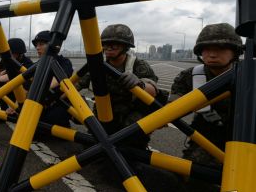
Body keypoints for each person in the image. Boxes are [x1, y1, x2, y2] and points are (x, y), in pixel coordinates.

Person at [76, 24, 159, 148]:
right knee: (93, 149)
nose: (108, 47)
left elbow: (153, 91)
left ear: (126, 47)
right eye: (105, 44)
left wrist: (140, 84)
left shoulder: (138, 65)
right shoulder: (97, 66)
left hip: (130, 117)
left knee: (131, 150)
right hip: (103, 115)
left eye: (114, 44)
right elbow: (75, 85)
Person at [170, 23, 243, 163]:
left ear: (235, 52)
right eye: (206, 49)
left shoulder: (248, 75)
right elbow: (172, 105)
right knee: (193, 172)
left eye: (221, 49)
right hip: (206, 138)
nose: (212, 54)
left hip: (244, 136)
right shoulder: (189, 76)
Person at [31, 30, 74, 127]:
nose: (37, 48)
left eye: (41, 44)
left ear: (53, 45)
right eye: (36, 45)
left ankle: (64, 122)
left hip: (58, 102)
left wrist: (39, 87)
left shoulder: (64, 62)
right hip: (41, 104)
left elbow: (59, 79)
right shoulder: (36, 65)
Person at [0, 38, 33, 113]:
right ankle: (4, 109)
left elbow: (13, 76)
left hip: (24, 90)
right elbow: (2, 73)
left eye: (10, 52)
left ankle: (19, 108)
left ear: (19, 52)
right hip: (13, 86)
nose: (8, 54)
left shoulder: (27, 63)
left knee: (10, 83)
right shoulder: (8, 59)